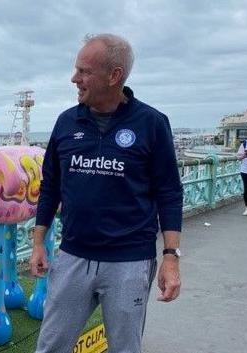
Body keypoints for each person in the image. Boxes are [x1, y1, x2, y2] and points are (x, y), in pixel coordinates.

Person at [29, 33, 184, 353]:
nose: (75, 78)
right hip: (72, 256)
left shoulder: (152, 123)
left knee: (125, 348)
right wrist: (38, 243)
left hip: (129, 260)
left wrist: (171, 258)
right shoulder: (65, 122)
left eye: (84, 71)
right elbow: (50, 186)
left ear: (114, 75)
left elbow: (169, 192)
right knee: (51, 346)